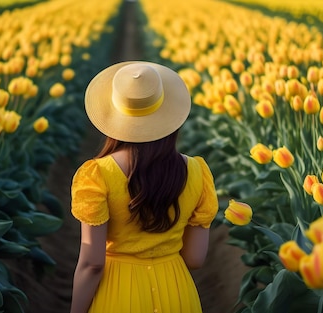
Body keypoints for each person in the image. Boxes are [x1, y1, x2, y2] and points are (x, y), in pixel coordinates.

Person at [70, 61, 218, 313]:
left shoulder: (97, 174)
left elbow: (92, 263)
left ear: (113, 115)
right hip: (177, 293)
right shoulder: (197, 171)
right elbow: (195, 258)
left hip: (118, 293)